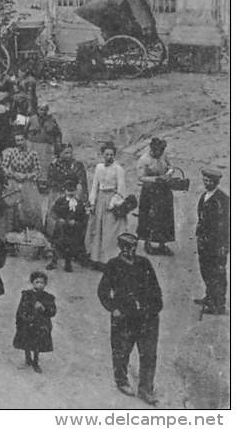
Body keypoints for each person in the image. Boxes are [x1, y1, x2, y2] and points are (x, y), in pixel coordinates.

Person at [97, 232, 162, 405]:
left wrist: (155, 308)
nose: (130, 250)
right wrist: (114, 309)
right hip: (125, 317)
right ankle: (121, 380)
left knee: (149, 353)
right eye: (126, 247)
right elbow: (103, 291)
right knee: (121, 350)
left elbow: (156, 288)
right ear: (120, 247)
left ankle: (146, 388)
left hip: (147, 317)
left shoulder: (144, 263)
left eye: (133, 247)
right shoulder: (113, 265)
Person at [85, 142, 129, 267]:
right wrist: (92, 202)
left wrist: (113, 203)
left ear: (114, 155)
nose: (109, 157)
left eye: (111, 154)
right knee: (97, 229)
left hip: (112, 200)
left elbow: (121, 189)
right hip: (100, 199)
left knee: (110, 232)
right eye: (106, 154)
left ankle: (108, 260)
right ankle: (96, 259)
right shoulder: (99, 167)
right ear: (102, 154)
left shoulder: (118, 169)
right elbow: (94, 186)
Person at [195, 168, 229, 316]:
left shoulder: (223, 200)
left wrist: (225, 246)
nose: (206, 183)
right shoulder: (204, 196)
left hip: (217, 244)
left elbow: (227, 225)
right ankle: (210, 297)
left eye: (209, 181)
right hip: (204, 242)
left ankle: (218, 304)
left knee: (217, 273)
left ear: (216, 182)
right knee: (206, 271)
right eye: (205, 180)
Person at [135, 138, 175, 256]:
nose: (161, 153)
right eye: (159, 150)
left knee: (165, 217)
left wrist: (168, 174)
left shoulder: (163, 155)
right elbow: (140, 177)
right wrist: (155, 179)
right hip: (149, 191)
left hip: (164, 190)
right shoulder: (144, 160)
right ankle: (148, 243)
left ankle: (163, 244)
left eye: (162, 150)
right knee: (149, 217)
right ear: (153, 149)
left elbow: (171, 166)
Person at [13, 271, 57, 374]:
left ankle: (35, 362)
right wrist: (20, 320)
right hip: (27, 322)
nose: (40, 285)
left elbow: (52, 312)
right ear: (32, 283)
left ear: (45, 284)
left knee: (38, 343)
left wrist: (43, 308)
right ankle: (28, 360)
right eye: (37, 282)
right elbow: (21, 308)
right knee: (26, 341)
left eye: (42, 283)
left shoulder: (48, 297)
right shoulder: (26, 295)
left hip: (40, 324)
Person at [2, 129, 43, 232]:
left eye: (21, 140)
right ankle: (14, 229)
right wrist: (13, 174)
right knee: (14, 206)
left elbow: (38, 171)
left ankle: (30, 230)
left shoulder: (33, 153)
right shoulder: (11, 153)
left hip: (27, 184)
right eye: (17, 140)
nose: (19, 143)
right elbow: (3, 167)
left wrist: (27, 175)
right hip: (14, 182)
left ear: (26, 140)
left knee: (29, 207)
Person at [47, 180, 88, 272]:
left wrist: (76, 222)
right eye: (68, 191)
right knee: (57, 244)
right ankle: (54, 262)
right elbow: (53, 212)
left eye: (73, 191)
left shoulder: (79, 203)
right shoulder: (60, 201)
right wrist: (58, 219)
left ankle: (68, 263)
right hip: (60, 227)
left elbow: (83, 217)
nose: (70, 193)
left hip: (72, 229)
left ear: (76, 191)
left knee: (70, 246)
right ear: (65, 191)